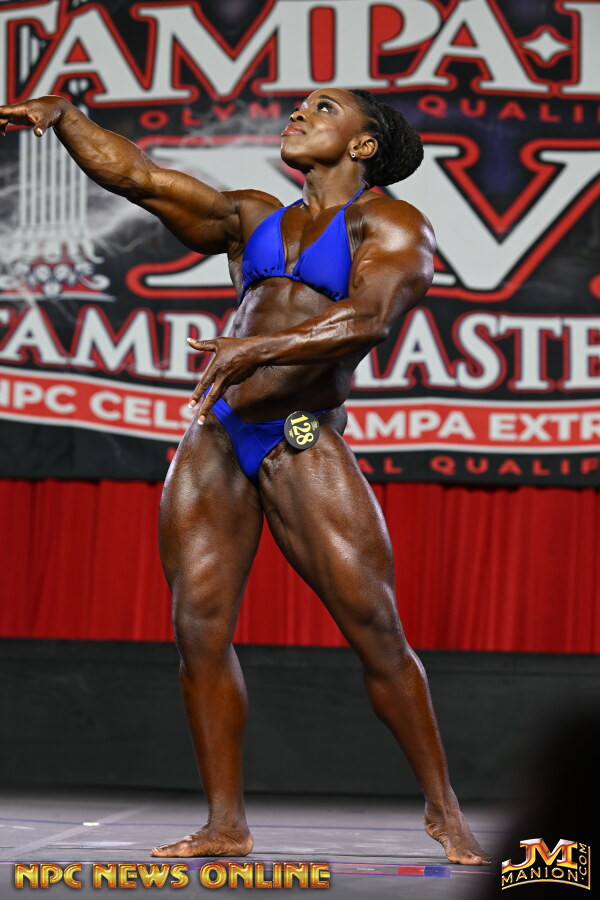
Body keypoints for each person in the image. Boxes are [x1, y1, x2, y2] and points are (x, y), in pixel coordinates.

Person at [0, 89, 491, 865]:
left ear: (363, 145)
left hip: (300, 430)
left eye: (322, 109)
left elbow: (368, 317)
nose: (299, 114)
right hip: (219, 430)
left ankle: (444, 808)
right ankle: (225, 824)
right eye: (300, 106)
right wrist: (66, 118)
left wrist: (256, 348)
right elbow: (137, 177)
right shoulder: (253, 216)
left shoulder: (389, 224)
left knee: (375, 628)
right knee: (197, 630)